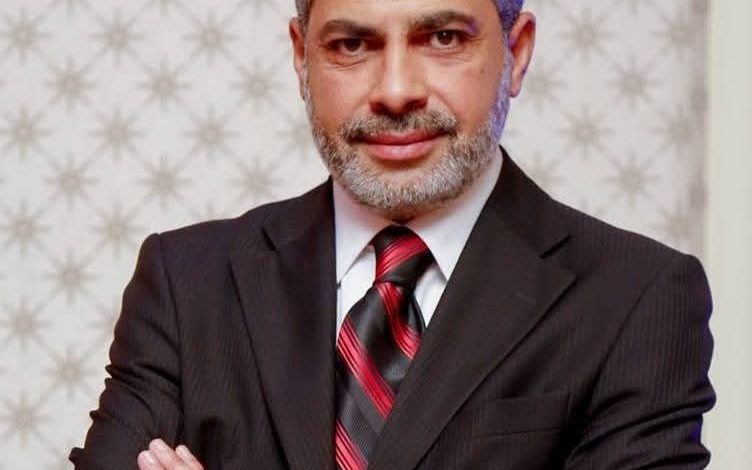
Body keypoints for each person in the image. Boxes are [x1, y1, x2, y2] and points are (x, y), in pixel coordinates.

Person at [70, 0, 715, 469]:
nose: (397, 91)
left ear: (516, 53)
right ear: (301, 58)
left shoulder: (637, 299)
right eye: (352, 45)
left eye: (443, 37)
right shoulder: (187, 281)